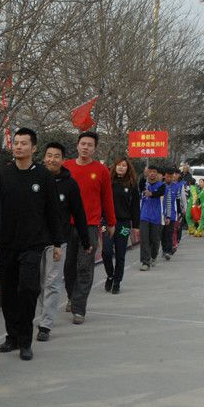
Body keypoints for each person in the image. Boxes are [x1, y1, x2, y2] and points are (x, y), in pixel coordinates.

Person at [0, 128, 62, 360]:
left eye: (24, 143)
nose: (19, 147)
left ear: (34, 148)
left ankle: (25, 340)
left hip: (33, 245)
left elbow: (53, 211)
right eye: (16, 143)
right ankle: (11, 336)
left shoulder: (43, 176)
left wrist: (57, 243)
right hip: (6, 244)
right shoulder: (2, 175)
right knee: (7, 293)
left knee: (28, 289)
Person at [37, 142, 89, 342]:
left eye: (56, 156)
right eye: (49, 155)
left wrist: (85, 240)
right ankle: (44, 313)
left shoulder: (70, 184)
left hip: (58, 241)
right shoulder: (36, 179)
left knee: (52, 282)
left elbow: (79, 213)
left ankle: (46, 324)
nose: (52, 159)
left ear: (62, 159)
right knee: (39, 283)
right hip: (34, 240)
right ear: (44, 157)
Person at [63, 131, 115, 325]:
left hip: (91, 226)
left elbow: (107, 198)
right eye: (83, 143)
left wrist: (111, 222)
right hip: (66, 225)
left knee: (85, 267)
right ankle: (71, 296)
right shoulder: (66, 167)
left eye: (89, 145)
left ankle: (79, 308)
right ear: (77, 145)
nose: (85, 147)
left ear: (94, 148)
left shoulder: (101, 170)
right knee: (68, 267)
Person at [102, 158, 140, 294]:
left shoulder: (132, 184)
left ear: (128, 168)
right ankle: (110, 275)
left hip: (123, 224)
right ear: (114, 166)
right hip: (107, 222)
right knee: (106, 252)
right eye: (119, 165)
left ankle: (117, 282)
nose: (121, 167)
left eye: (124, 165)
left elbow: (135, 207)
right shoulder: (108, 182)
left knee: (120, 254)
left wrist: (136, 226)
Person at [139, 166, 167, 269]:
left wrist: (151, 194)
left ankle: (153, 256)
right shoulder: (144, 184)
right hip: (144, 216)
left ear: (157, 174)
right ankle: (145, 262)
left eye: (154, 172)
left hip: (156, 217)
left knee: (155, 240)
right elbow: (140, 185)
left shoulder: (162, 186)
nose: (152, 174)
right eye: (150, 172)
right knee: (144, 239)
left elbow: (159, 193)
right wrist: (143, 176)